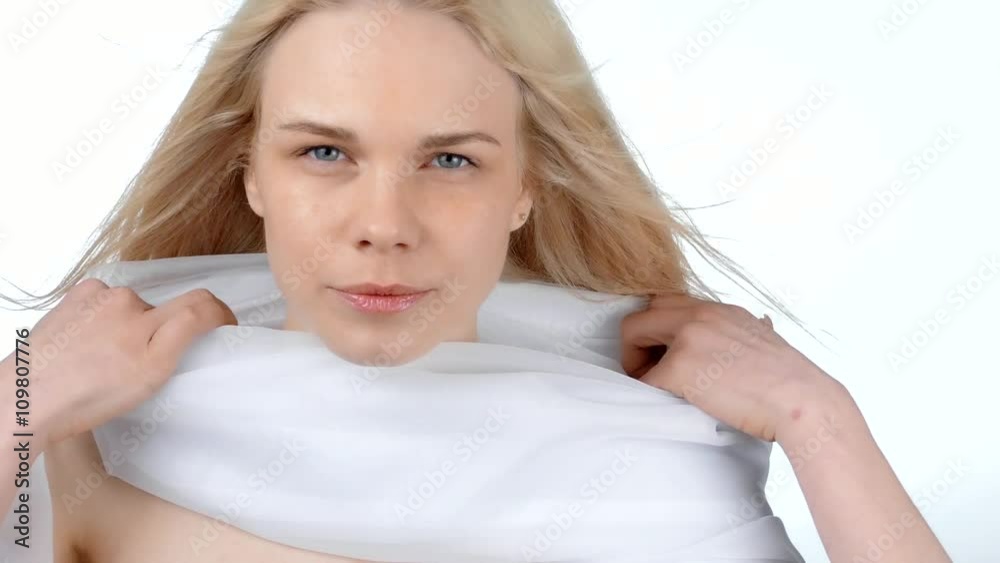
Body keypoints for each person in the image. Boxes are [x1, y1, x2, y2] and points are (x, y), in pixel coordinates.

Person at [1, 1, 951, 562]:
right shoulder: (91, 425)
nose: (384, 225)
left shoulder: (654, 458)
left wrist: (823, 422)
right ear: (250, 172)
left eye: (450, 160)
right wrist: (19, 399)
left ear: (526, 187)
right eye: (324, 151)